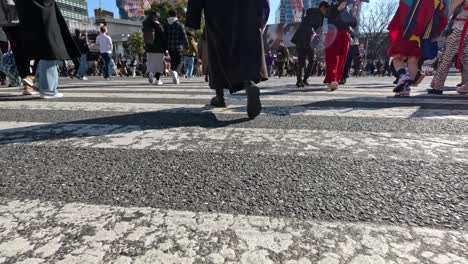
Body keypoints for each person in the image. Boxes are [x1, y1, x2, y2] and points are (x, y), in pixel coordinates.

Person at [186, 0, 270, 119]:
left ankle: (219, 96)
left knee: (218, 53)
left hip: (217, 10)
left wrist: (193, 19)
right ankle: (249, 83)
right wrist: (262, 18)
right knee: (245, 51)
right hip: (247, 11)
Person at [12, 0, 80, 98]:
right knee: (51, 46)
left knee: (45, 46)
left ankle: (39, 81)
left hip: (28, 10)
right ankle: (48, 88)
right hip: (42, 7)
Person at [388, 0, 447, 96]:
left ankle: (403, 76)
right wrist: (436, 34)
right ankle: (406, 88)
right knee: (413, 59)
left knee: (396, 56)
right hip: (422, 36)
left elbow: (401, 13)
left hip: (407, 31)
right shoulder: (440, 2)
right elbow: (442, 19)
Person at [429, 0, 468, 94]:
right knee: (466, 58)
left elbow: (449, 11)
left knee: (446, 57)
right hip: (463, 28)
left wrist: (438, 27)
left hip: (460, 28)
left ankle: (437, 86)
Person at [324, 0, 359, 91]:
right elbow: (332, 13)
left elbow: (354, 24)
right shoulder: (332, 6)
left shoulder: (347, 9)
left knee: (342, 59)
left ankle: (336, 79)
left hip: (344, 35)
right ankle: (332, 79)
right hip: (333, 33)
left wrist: (353, 12)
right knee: (333, 58)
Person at [291, 2, 328, 87]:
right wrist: (313, 33)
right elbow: (309, 25)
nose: (327, 11)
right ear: (322, 7)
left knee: (312, 60)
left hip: (309, 40)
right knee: (301, 61)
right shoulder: (315, 14)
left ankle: (305, 79)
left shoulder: (320, 16)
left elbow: (316, 28)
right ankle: (299, 80)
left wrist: (317, 35)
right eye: (326, 9)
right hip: (302, 39)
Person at [143, 11, 167, 85]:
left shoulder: (146, 24)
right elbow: (163, 35)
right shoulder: (157, 24)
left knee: (151, 64)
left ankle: (150, 73)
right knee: (159, 65)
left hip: (149, 48)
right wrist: (166, 48)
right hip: (158, 48)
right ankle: (157, 80)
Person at [166, 9, 189, 84]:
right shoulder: (180, 25)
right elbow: (184, 36)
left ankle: (174, 76)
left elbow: (164, 36)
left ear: (169, 15)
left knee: (173, 61)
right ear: (176, 15)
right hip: (178, 47)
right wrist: (187, 46)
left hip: (169, 47)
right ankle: (175, 72)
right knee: (180, 61)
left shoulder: (166, 25)